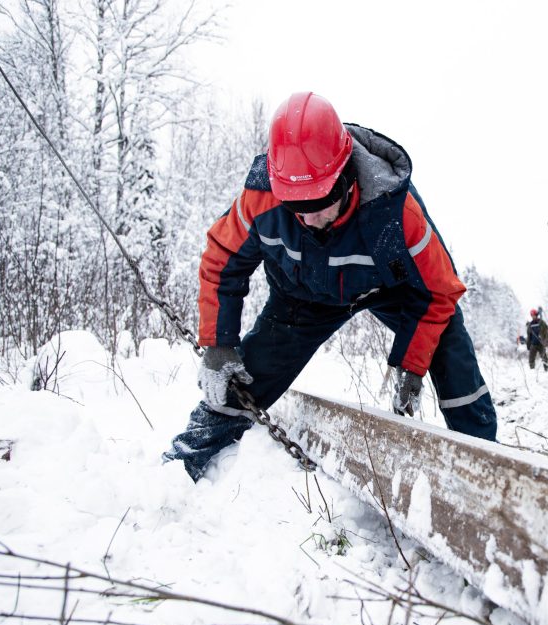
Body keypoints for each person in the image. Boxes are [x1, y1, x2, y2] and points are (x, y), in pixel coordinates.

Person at [164, 92, 497, 482]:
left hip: (386, 288)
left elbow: (440, 290)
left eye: (322, 200)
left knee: (448, 341)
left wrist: (412, 363)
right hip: (302, 296)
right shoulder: (260, 199)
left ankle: (486, 466)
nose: (312, 218)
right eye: (297, 205)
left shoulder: (396, 212)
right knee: (241, 379)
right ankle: (181, 467)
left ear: (345, 176)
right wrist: (218, 343)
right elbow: (221, 261)